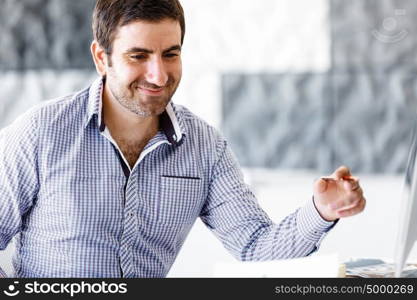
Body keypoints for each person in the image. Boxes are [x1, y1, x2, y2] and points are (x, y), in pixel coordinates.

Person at [0, 0, 365, 278]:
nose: (158, 75)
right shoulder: (40, 133)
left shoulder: (205, 147)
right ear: (101, 57)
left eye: (170, 54)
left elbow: (255, 248)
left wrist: (321, 212)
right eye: (138, 56)